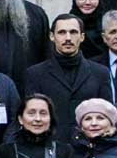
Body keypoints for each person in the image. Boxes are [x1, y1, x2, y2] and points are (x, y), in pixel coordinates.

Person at [24, 13, 110, 141]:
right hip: (51, 147)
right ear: (52, 36)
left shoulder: (100, 73)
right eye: (62, 32)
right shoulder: (35, 74)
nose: (68, 38)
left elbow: (107, 115)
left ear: (82, 37)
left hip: (90, 148)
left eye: (73, 32)